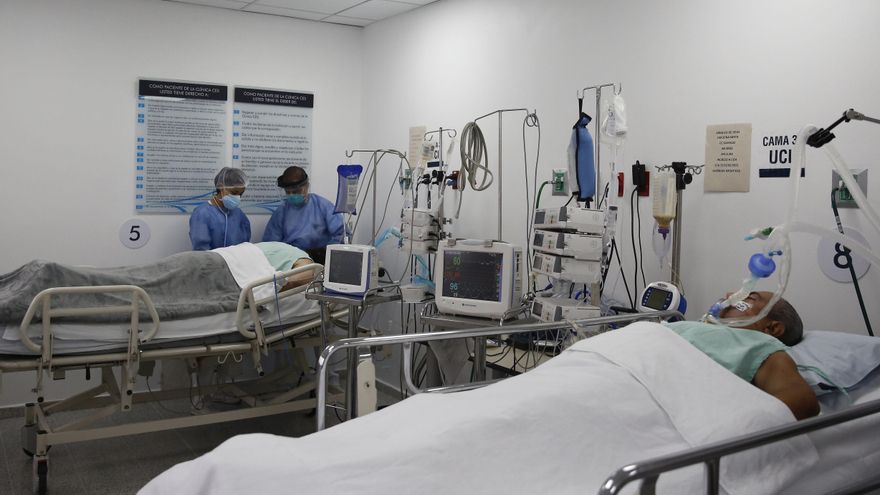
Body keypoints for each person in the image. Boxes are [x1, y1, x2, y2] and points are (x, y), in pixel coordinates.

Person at [665, 291, 819, 420]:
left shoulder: (760, 345)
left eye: (750, 298)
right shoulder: (699, 326)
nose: (731, 295)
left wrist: (724, 422)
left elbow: (803, 401)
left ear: (772, 328)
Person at [262, 166, 344, 264]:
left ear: (306, 186)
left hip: (322, 259)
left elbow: (341, 233)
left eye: (296, 191)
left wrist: (325, 253)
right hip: (292, 260)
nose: (292, 195)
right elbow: (271, 244)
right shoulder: (282, 211)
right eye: (288, 192)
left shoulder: (322, 206)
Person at [189, 168, 252, 250]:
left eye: (241, 194)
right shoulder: (202, 213)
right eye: (234, 193)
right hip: (211, 261)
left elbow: (245, 243)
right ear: (221, 187)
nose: (237, 197)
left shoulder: (238, 214)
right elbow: (201, 248)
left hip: (235, 261)